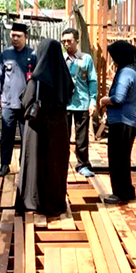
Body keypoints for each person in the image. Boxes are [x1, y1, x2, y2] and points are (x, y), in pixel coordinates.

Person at [18, 39, 74, 216]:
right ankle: (54, 202)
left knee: (35, 163)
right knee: (55, 165)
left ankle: (33, 202)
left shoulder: (38, 78)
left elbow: (26, 101)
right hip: (59, 128)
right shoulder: (65, 77)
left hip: (38, 128)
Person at [101, 41, 136, 205]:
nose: (113, 61)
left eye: (114, 57)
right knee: (122, 159)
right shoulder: (132, 70)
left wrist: (105, 100)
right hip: (126, 121)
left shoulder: (125, 73)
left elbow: (118, 98)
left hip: (122, 122)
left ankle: (121, 193)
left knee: (118, 159)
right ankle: (125, 191)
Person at [0, 22, 36, 176]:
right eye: (13, 36)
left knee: (26, 138)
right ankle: (4, 165)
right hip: (8, 102)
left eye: (19, 36)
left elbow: (36, 80)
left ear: (26, 37)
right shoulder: (6, 54)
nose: (15, 39)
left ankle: (24, 166)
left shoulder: (33, 55)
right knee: (6, 136)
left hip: (26, 104)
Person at [62, 28, 98, 178]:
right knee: (63, 136)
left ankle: (83, 164)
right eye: (63, 41)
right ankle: (62, 163)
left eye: (69, 41)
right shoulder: (61, 59)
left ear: (77, 41)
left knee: (81, 137)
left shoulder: (86, 59)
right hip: (64, 104)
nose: (66, 44)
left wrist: (93, 101)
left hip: (82, 102)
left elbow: (92, 80)